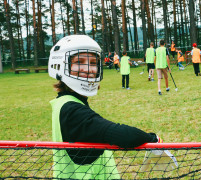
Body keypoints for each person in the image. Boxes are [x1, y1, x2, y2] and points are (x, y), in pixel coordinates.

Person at [48, 35, 161, 179]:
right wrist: (153, 139)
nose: (88, 69)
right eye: (79, 62)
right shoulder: (72, 110)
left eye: (93, 62)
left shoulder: (64, 102)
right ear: (61, 65)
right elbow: (121, 135)